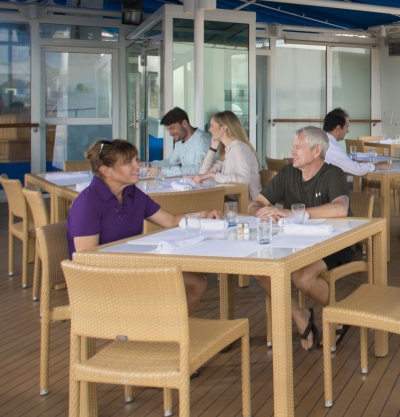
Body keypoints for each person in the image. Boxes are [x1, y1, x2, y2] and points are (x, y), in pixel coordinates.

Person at [66, 139, 218, 313]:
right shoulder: (88, 203)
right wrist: (139, 271)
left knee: (197, 283)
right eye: (128, 163)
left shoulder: (132, 193)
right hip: (100, 280)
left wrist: (203, 215)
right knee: (182, 284)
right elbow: (87, 259)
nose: (138, 166)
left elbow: (169, 220)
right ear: (106, 171)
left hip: (130, 269)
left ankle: (162, 328)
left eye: (136, 160)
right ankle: (155, 326)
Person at [247, 126, 351, 351]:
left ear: (316, 151)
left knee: (302, 278)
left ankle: (340, 315)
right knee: (259, 269)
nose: (292, 152)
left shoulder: (333, 174)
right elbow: (256, 203)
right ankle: (300, 315)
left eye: (298, 148)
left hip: (334, 243)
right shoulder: (288, 173)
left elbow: (340, 209)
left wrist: (293, 213)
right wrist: (262, 213)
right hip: (294, 242)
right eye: (293, 147)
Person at [190, 110, 263, 202]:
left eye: (212, 126)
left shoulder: (240, 148)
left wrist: (213, 175)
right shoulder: (228, 150)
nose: (209, 130)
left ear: (223, 127)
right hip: (231, 199)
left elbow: (244, 179)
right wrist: (213, 148)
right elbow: (203, 173)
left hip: (248, 203)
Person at [322, 107, 390, 176]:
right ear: (338, 128)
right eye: (347, 127)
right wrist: (378, 166)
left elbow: (341, 160)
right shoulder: (330, 145)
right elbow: (356, 170)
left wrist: (354, 162)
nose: (348, 131)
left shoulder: (322, 139)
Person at [150, 107, 210, 178]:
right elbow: (171, 162)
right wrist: (150, 165)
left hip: (206, 184)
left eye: (172, 128)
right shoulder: (179, 142)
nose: (170, 134)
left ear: (184, 123)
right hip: (188, 183)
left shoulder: (202, 140)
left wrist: (163, 171)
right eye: (168, 130)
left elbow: (198, 169)